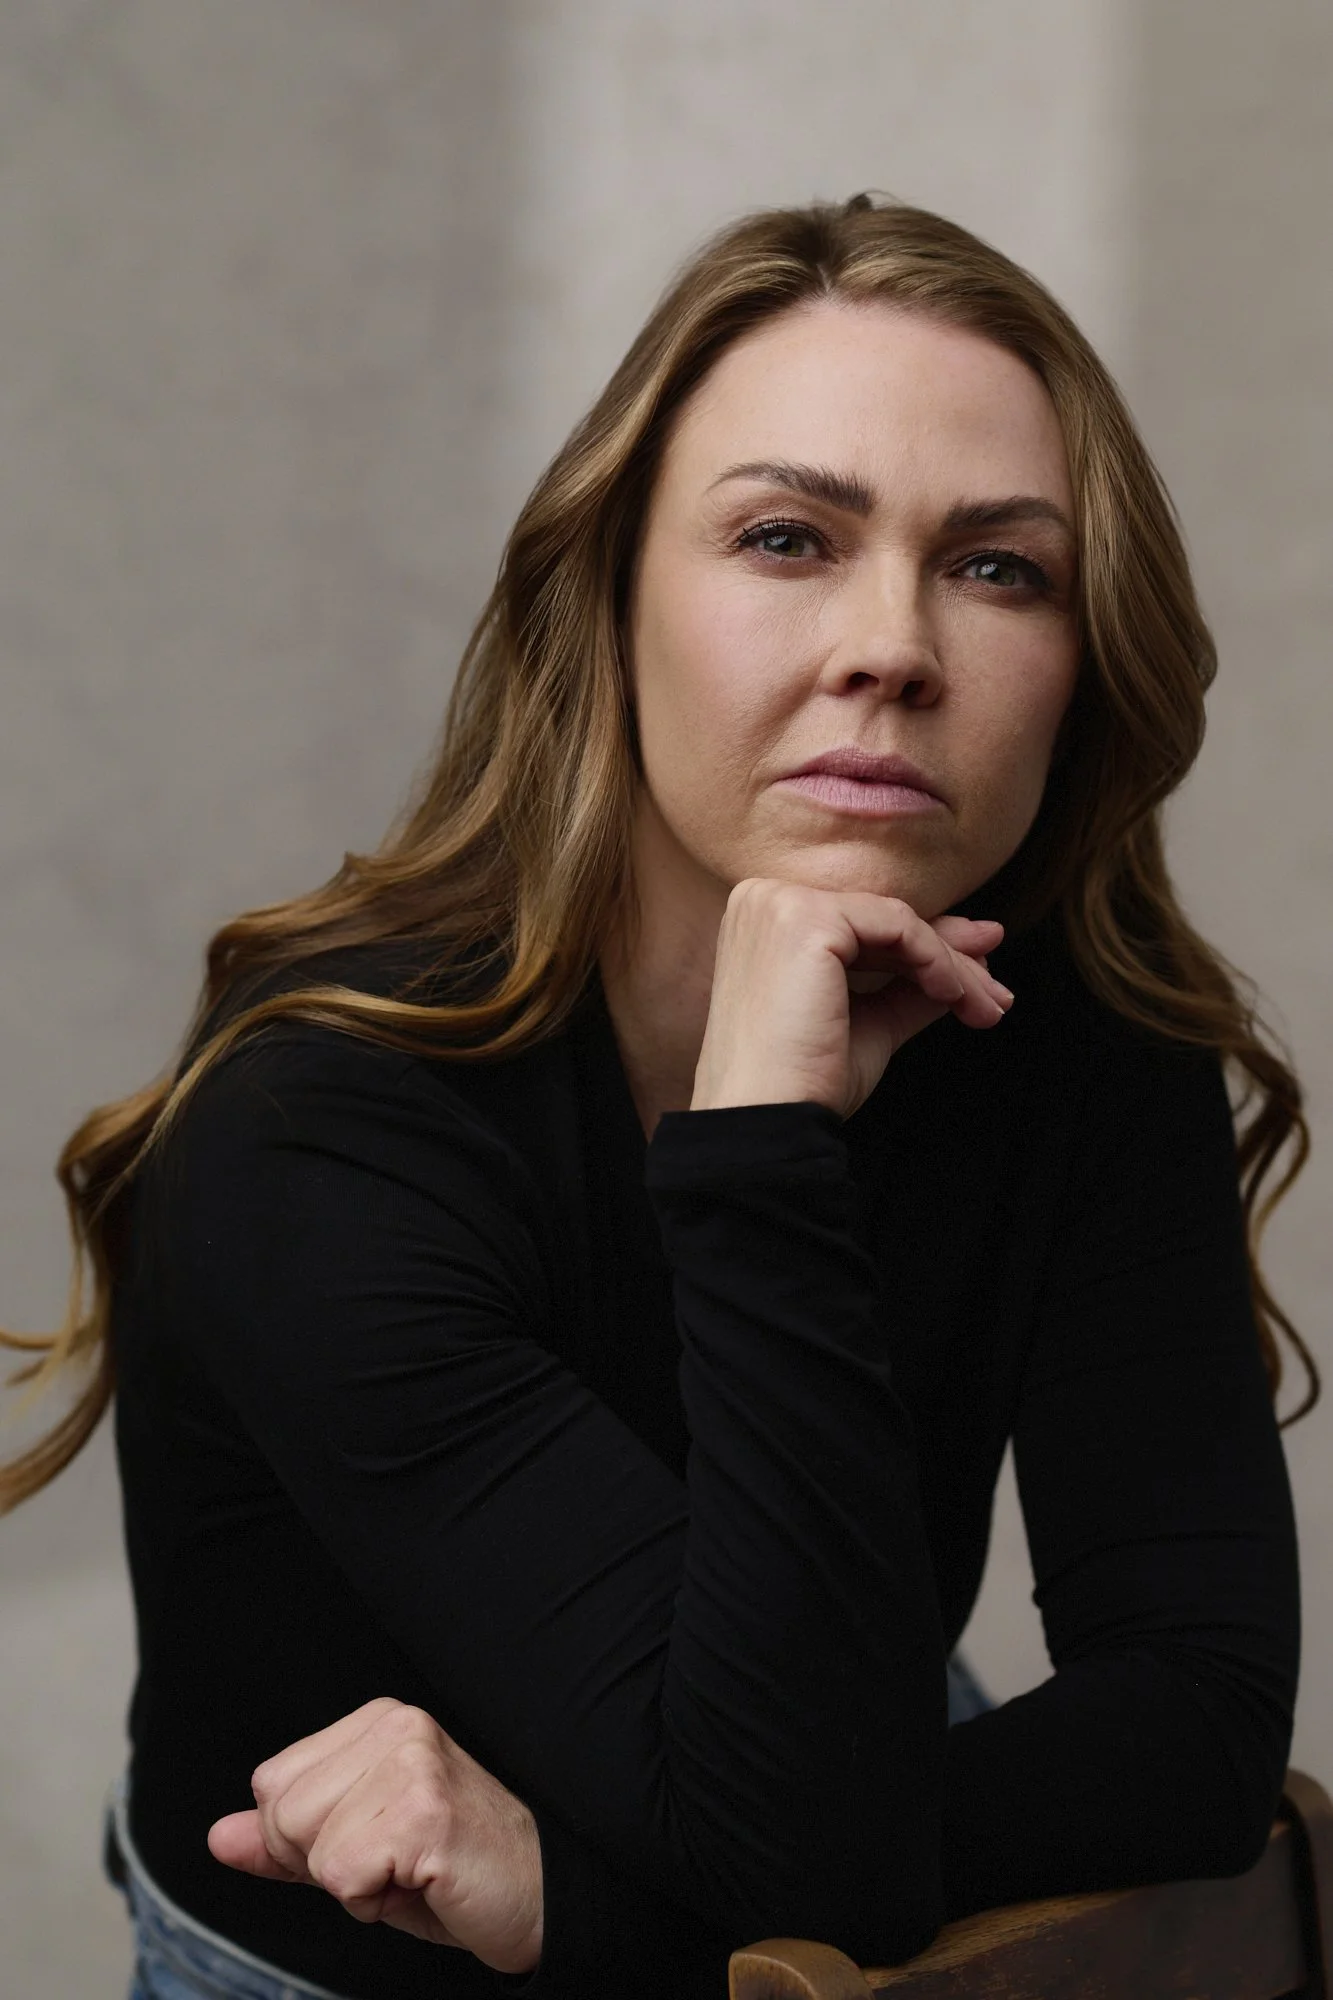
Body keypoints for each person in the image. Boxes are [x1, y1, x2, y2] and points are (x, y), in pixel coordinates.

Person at [1, 194, 1315, 2000]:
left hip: (819, 1843)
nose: (892, 644)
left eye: (1000, 568)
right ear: (611, 600)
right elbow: (825, 1841)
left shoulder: (1077, 1030)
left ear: (1087, 664)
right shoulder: (323, 1117)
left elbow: (1200, 1723)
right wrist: (762, 1134)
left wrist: (593, 1903)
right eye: (786, 538)